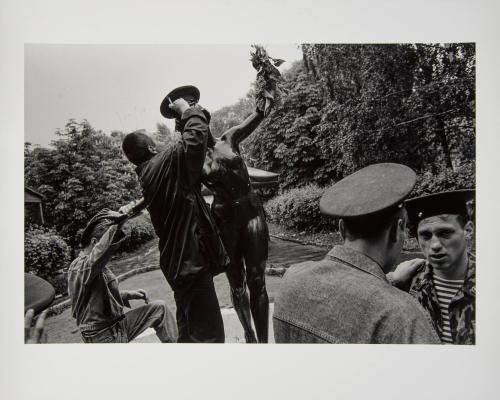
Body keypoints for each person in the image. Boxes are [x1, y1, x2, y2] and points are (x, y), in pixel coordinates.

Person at [273, 163, 441, 344]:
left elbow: (343, 295)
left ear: (341, 229)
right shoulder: (403, 317)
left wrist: (391, 280)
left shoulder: (292, 278)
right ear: (397, 229)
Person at [161, 85, 273, 343]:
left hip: (251, 212)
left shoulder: (230, 138)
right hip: (224, 219)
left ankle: (263, 345)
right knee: (237, 282)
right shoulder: (192, 162)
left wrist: (268, 89)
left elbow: (259, 113)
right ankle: (249, 334)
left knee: (258, 280)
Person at [120, 93, 229, 343]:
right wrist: (186, 109)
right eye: (154, 144)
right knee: (210, 337)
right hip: (189, 264)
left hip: (178, 264)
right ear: (150, 149)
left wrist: (182, 121)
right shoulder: (163, 165)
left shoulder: (149, 174)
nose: (159, 147)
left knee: (189, 333)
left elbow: (187, 149)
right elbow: (195, 138)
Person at [68, 210, 177, 343]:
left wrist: (127, 294)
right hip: (103, 336)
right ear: (94, 242)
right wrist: (120, 220)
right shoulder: (81, 267)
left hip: (117, 326)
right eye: (111, 246)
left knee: (159, 309)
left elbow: (96, 298)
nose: (113, 251)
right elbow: (102, 250)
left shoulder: (92, 267)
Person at [389, 189, 475, 344]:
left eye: (445, 233)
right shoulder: (410, 282)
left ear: (468, 231)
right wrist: (393, 282)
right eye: (426, 235)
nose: (434, 245)